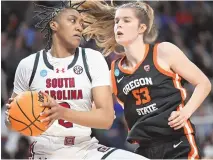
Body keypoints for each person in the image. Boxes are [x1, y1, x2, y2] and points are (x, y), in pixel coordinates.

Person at [5, 1, 148, 159]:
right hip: (46, 152)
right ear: (54, 25)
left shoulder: (93, 59)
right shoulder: (28, 65)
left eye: (81, 23)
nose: (79, 27)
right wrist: (13, 115)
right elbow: (11, 123)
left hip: (85, 148)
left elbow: (106, 119)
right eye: (72, 21)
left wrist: (62, 112)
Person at [80, 1, 212, 159]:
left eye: (126, 21)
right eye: (116, 21)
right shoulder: (113, 73)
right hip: (144, 150)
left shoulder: (163, 52)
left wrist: (186, 112)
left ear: (141, 28)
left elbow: (203, 83)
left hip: (178, 143)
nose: (119, 25)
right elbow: (94, 111)